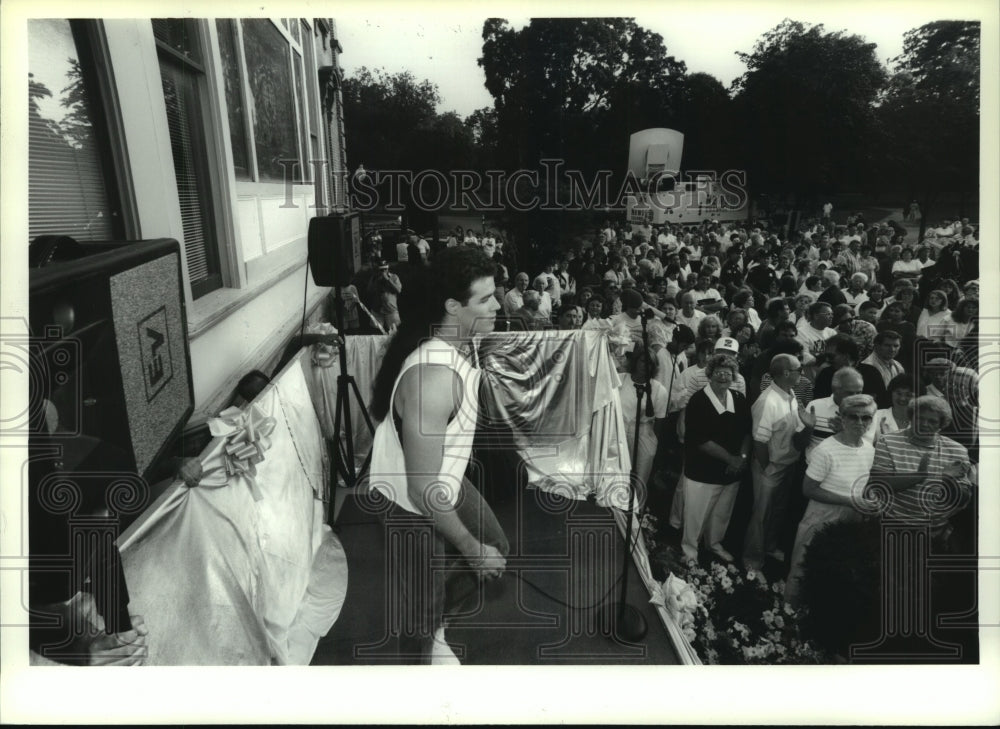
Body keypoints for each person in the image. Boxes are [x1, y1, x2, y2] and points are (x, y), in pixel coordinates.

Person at [368, 247, 508, 663]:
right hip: (413, 500)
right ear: (453, 307)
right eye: (485, 299)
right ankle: (420, 667)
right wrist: (470, 549)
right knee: (421, 610)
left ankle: (437, 628)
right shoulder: (433, 377)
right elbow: (421, 487)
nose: (497, 305)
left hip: (439, 479)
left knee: (495, 542)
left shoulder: (462, 345)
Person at [784, 394, 877, 606]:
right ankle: (789, 615)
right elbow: (808, 489)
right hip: (821, 516)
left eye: (866, 418)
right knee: (803, 568)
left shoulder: (869, 449)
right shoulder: (825, 450)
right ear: (842, 418)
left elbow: (864, 482)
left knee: (836, 573)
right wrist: (849, 501)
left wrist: (869, 499)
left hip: (852, 517)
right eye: (853, 417)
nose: (860, 422)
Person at [866, 396, 974, 550]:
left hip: (935, 533)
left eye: (932, 421)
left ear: (941, 425)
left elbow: (962, 499)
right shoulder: (888, 441)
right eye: (919, 418)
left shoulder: (957, 450)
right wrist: (920, 476)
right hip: (892, 527)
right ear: (911, 417)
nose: (924, 424)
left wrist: (947, 479)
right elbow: (880, 484)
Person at [680, 354, 752, 564]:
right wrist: (732, 459)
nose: (723, 377)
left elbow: (748, 432)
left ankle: (714, 544)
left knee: (722, 513)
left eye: (728, 373)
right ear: (709, 375)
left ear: (734, 377)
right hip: (702, 470)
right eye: (719, 372)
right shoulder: (698, 401)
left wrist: (742, 458)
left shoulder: (739, 399)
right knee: (696, 515)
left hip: (731, 471)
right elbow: (700, 440)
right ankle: (690, 552)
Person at [743, 354, 807, 572]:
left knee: (777, 511)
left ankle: (768, 547)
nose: (803, 373)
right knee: (761, 516)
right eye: (800, 369)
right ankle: (752, 561)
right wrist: (767, 467)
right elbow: (759, 441)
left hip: (787, 465)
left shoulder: (790, 394)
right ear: (787, 373)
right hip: (770, 468)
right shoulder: (767, 401)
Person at [618, 346, 669, 495]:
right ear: (635, 361)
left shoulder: (659, 390)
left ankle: (636, 511)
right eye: (642, 361)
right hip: (619, 428)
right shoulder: (620, 379)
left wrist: (651, 441)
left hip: (644, 431)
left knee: (640, 475)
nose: (646, 366)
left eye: (650, 363)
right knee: (618, 473)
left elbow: (660, 420)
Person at [862, 330, 905, 405]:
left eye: (896, 346)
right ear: (876, 346)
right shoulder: (867, 367)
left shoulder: (898, 365)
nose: (892, 349)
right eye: (887, 345)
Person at [873, 373, 914, 443]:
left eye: (908, 395)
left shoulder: (922, 421)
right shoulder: (876, 416)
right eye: (898, 393)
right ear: (891, 393)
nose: (902, 399)